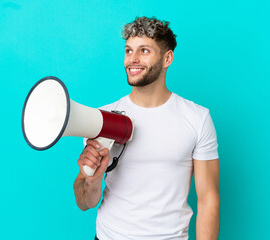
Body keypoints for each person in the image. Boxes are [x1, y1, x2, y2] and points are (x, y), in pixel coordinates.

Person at [74, 16, 220, 240]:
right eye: (128, 50)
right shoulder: (101, 119)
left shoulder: (197, 118)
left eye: (144, 51)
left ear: (167, 58)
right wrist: (93, 178)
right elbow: (85, 203)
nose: (132, 59)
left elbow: (208, 198)